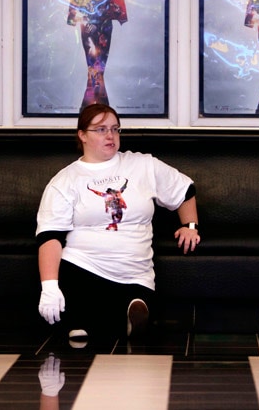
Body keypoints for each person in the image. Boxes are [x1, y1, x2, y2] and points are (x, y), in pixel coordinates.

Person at [36, 103, 200, 345]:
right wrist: (49, 287)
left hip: (134, 270)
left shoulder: (143, 165)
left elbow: (185, 190)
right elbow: (50, 236)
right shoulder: (65, 180)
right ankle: (95, 320)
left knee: (130, 306)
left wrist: (190, 226)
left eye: (115, 129)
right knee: (81, 300)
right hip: (84, 265)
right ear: (82, 135)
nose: (110, 135)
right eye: (101, 129)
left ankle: (108, 318)